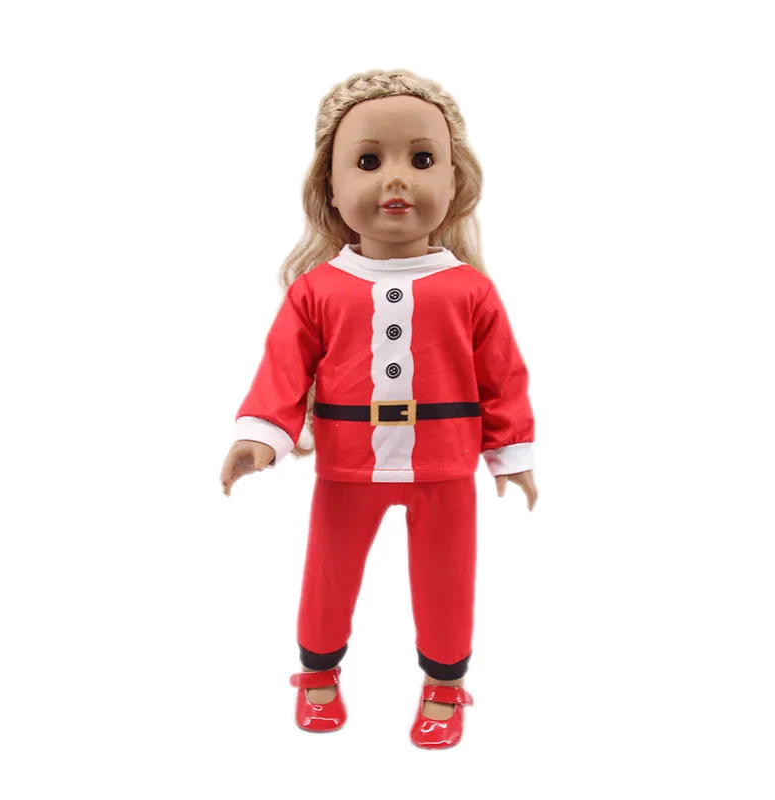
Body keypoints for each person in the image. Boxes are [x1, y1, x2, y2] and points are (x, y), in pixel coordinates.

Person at [220, 68, 537, 749]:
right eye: (368, 162)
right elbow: (283, 370)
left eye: (422, 160)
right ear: (330, 187)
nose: (396, 179)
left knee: (447, 579)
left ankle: (444, 685)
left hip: (445, 463)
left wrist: (510, 452)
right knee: (328, 575)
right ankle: (317, 673)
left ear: (455, 181)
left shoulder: (470, 291)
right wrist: (262, 435)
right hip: (346, 464)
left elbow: (503, 378)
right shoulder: (317, 291)